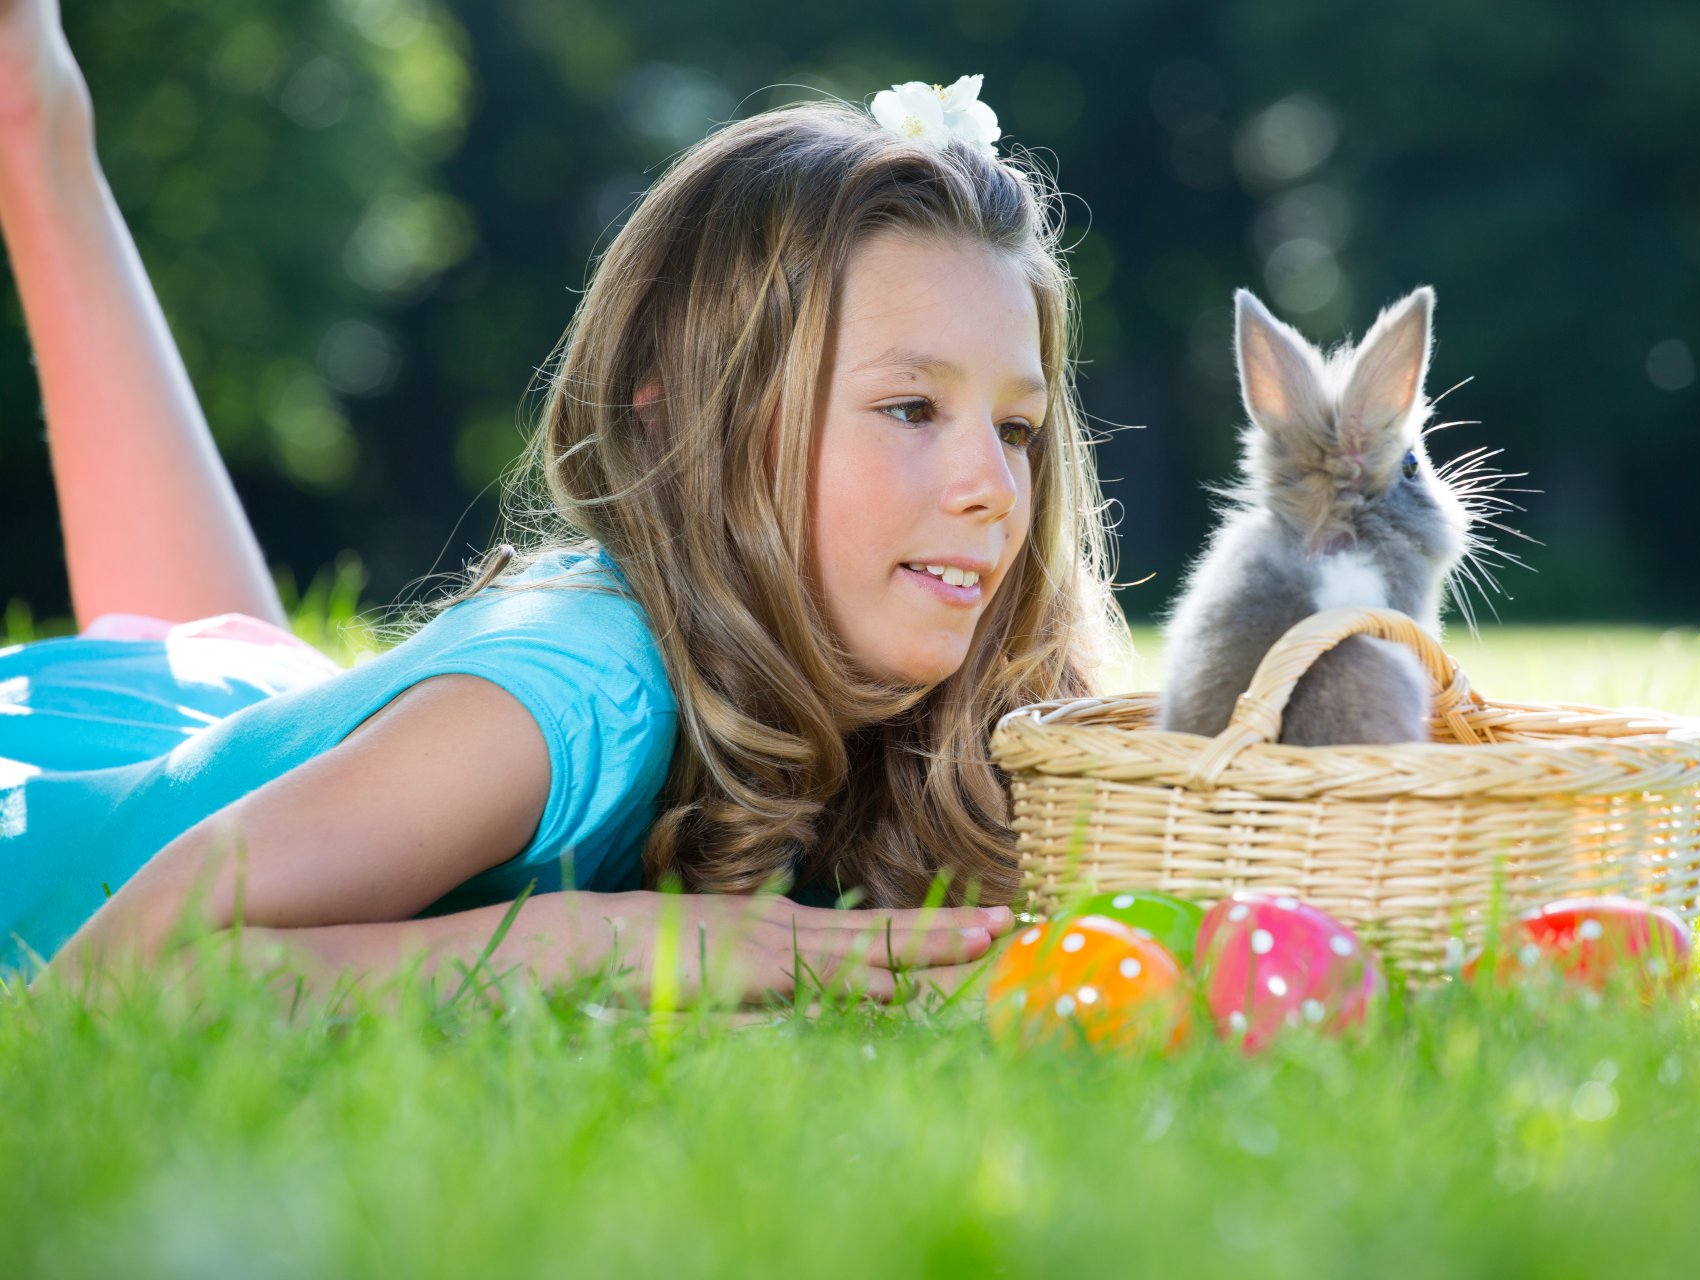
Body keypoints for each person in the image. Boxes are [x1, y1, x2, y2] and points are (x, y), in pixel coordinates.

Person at [0, 3, 1125, 1004]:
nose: (992, 490)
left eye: (1016, 429)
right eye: (911, 408)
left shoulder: (918, 708)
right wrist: (599, 939)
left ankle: (35, 130)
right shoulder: (583, 688)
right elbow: (109, 977)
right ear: (683, 424)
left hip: (208, 721)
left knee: (237, 697)